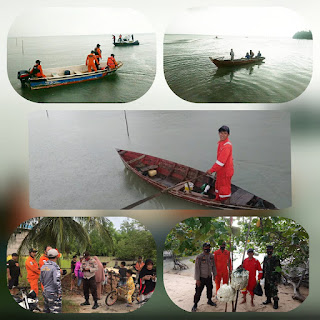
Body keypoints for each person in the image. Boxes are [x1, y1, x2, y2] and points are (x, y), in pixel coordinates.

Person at [206, 125, 234, 204]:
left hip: (225, 171)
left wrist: (211, 170)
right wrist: (216, 170)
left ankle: (224, 202)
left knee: (224, 187)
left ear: (228, 134)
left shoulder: (227, 146)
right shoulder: (221, 143)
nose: (222, 135)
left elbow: (220, 162)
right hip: (221, 170)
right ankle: (217, 199)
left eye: (224, 133)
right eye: (221, 133)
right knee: (218, 185)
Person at [192, 243, 217, 312]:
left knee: (210, 289)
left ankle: (209, 300)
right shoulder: (199, 257)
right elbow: (197, 268)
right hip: (201, 278)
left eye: (208, 247)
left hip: (209, 277)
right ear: (203, 248)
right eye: (206, 247)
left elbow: (214, 266)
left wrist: (215, 275)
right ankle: (195, 304)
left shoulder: (211, 256)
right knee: (198, 292)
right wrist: (197, 279)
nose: (207, 248)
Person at [40, 249, 62, 313]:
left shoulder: (43, 266)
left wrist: (46, 287)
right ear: (56, 257)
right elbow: (56, 281)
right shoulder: (55, 267)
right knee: (55, 311)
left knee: (47, 311)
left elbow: (41, 280)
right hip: (53, 293)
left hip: (45, 292)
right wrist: (59, 292)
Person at [262, 245, 281, 309]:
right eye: (267, 249)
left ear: (272, 250)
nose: (268, 251)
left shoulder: (275, 258)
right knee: (266, 288)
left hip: (273, 277)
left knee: (274, 290)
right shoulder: (265, 257)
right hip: (267, 277)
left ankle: (276, 303)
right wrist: (262, 275)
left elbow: (278, 269)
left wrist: (277, 280)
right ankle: (268, 300)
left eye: (270, 249)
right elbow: (264, 267)